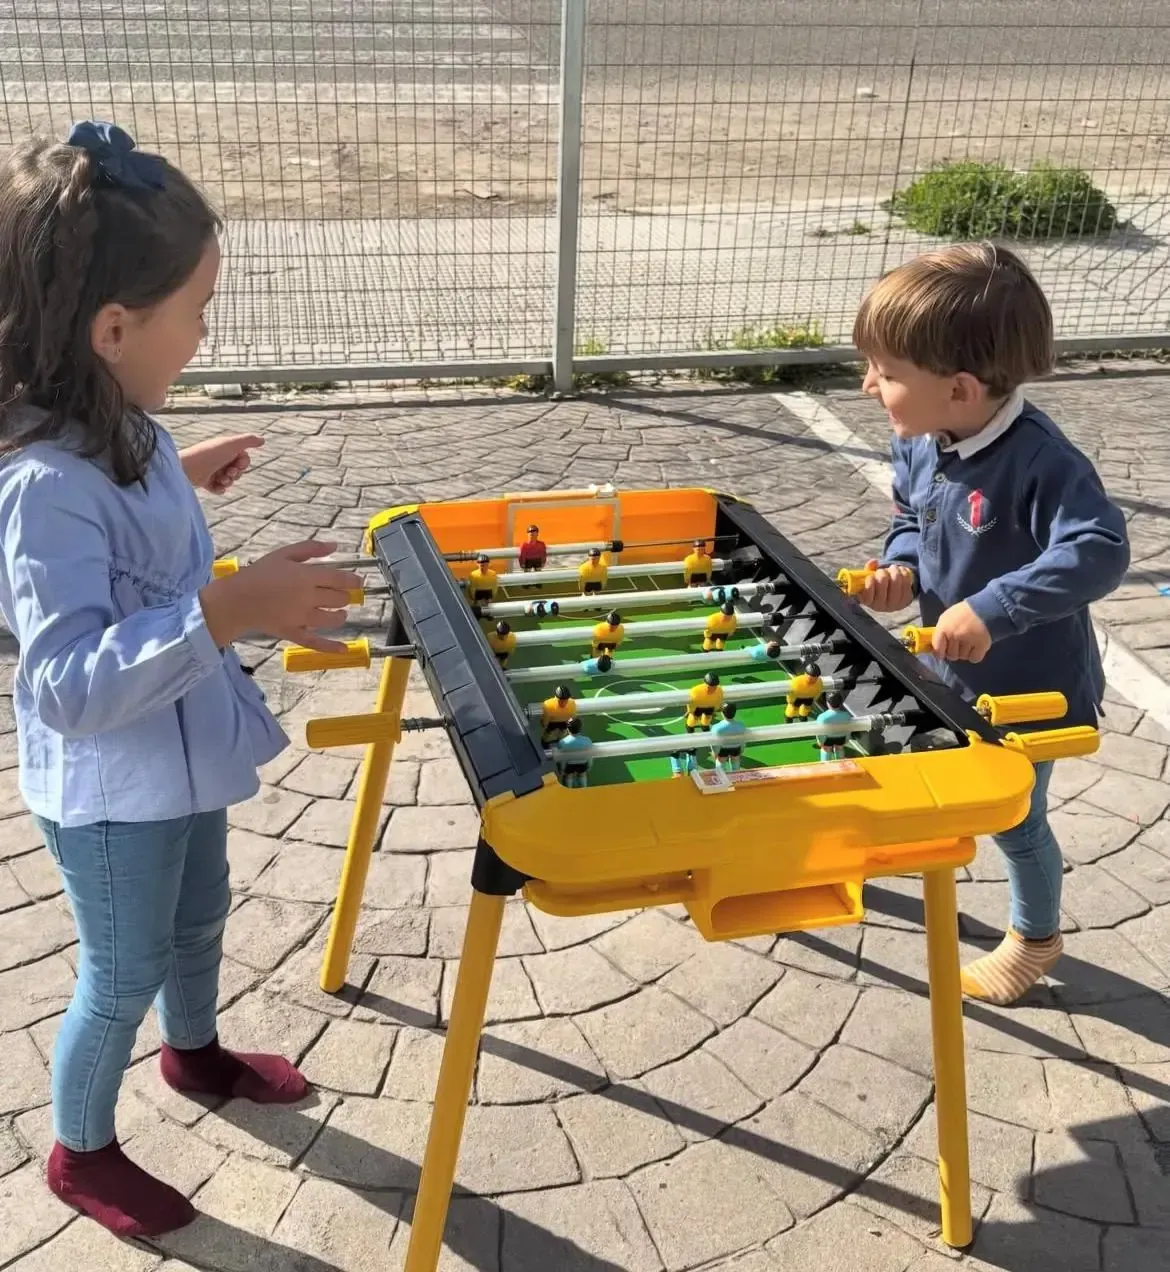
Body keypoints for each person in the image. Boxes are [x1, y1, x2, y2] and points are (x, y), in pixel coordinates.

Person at [0, 121, 366, 1238]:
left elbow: (133, 530)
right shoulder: (40, 484)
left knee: (201, 915)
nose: (202, 336)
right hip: (115, 794)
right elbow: (63, 679)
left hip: (181, 752)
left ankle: (195, 1053)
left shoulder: (114, 418)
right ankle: (81, 1151)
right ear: (114, 328)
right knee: (121, 972)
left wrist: (185, 473)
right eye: (195, 313)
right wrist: (224, 607)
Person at [852, 242, 1129, 1006]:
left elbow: (1102, 549)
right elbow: (912, 516)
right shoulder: (921, 435)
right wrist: (900, 570)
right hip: (949, 675)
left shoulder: (1043, 462)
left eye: (886, 372)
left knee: (1018, 820)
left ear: (962, 388)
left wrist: (994, 606)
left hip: (1029, 689)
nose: (868, 384)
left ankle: (1036, 940)